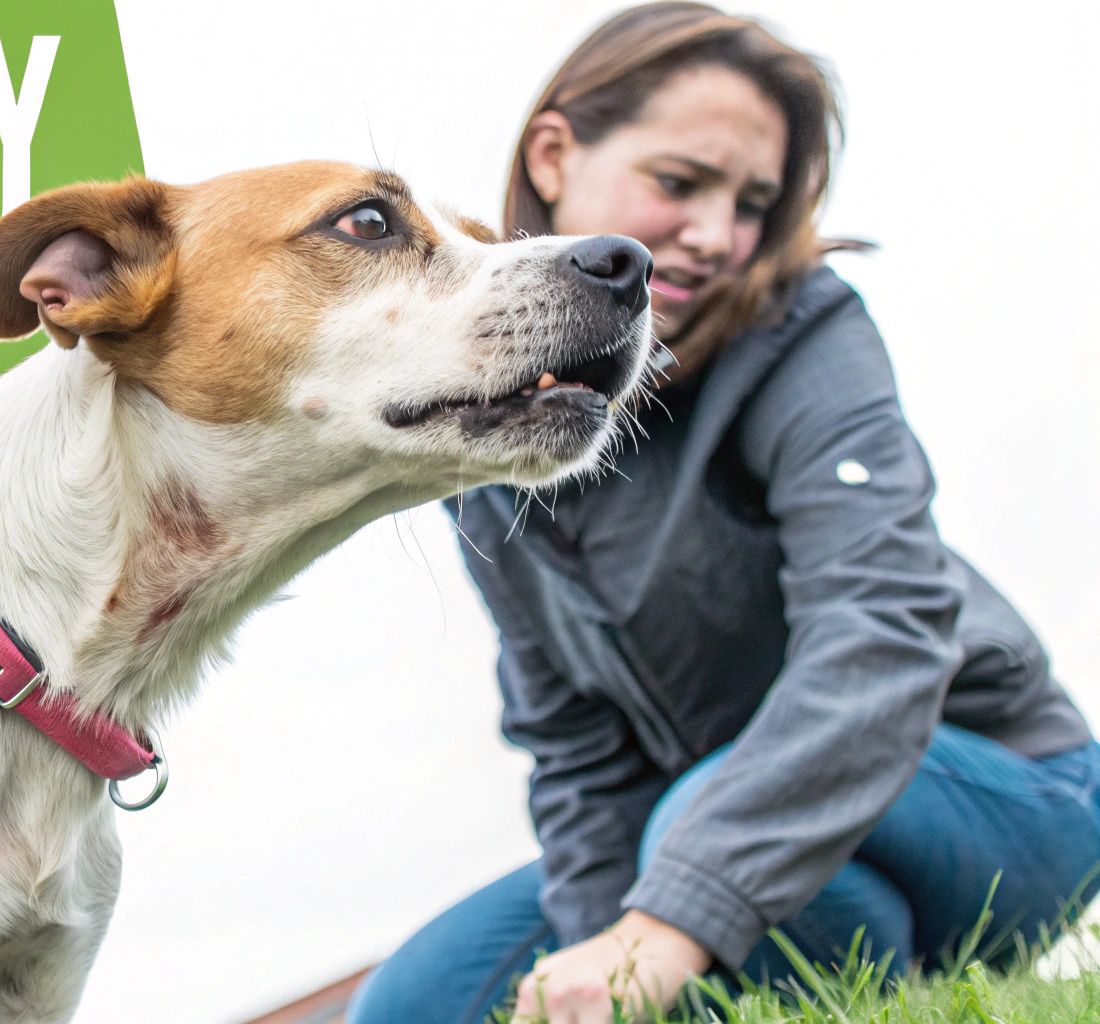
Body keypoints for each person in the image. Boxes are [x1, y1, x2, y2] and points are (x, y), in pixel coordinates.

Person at [348, 3, 1100, 1022]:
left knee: (694, 827)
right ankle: (803, 939)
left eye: (751, 202)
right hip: (717, 818)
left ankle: (767, 930)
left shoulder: (808, 332)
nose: (716, 235)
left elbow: (881, 630)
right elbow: (574, 746)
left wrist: (661, 929)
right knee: (414, 1000)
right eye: (678, 182)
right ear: (554, 154)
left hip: (999, 792)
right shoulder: (491, 409)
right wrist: (602, 953)